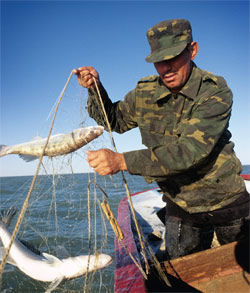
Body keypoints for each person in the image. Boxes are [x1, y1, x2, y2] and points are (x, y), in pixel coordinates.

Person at [74, 19, 249, 259]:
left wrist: (121, 161)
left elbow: (190, 151)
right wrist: (95, 89)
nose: (166, 68)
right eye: (159, 61)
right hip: (181, 203)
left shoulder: (215, 91)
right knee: (183, 272)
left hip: (226, 199)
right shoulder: (144, 93)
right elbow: (113, 120)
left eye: (173, 57)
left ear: (192, 50)